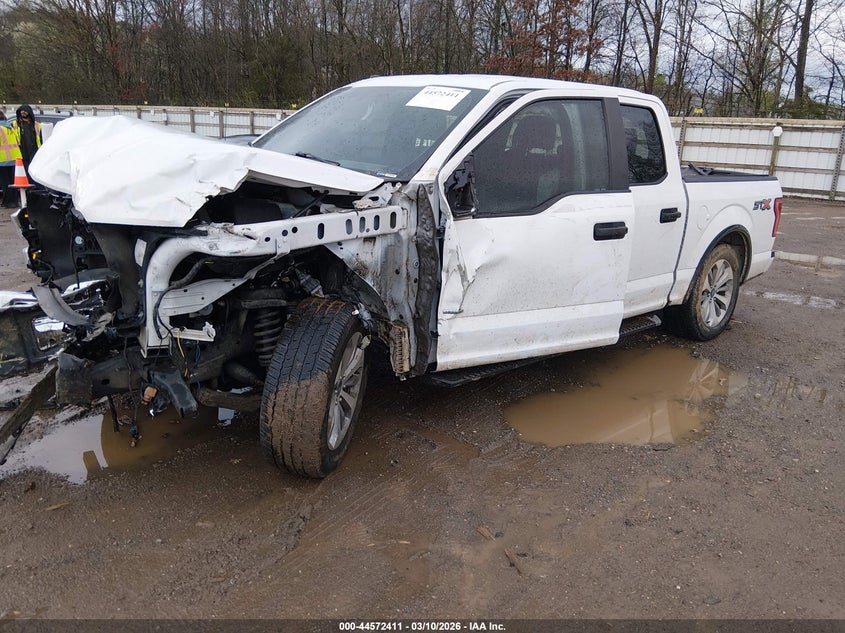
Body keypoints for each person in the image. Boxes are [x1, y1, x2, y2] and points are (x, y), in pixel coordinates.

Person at [0, 105, 43, 207]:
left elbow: (41, 139)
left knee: (33, 180)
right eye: (22, 111)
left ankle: (36, 200)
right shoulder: (13, 125)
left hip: (32, 155)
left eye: (25, 111)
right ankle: (26, 200)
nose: (23, 112)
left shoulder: (37, 125)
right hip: (19, 156)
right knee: (20, 182)